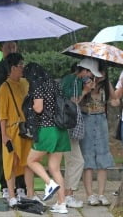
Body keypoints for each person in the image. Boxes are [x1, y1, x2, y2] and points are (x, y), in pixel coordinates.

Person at [25, 63, 71, 214]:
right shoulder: (55, 84)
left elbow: (38, 108)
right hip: (61, 130)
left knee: (31, 161)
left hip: (47, 129)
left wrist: (30, 104)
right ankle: (61, 203)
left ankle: (49, 183)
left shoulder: (38, 86)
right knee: (55, 168)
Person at [0, 41, 27, 199]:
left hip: (21, 117)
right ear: (0, 48)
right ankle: (5, 185)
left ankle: (21, 185)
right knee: (4, 150)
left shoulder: (22, 69)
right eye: (8, 47)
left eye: (14, 46)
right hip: (3, 114)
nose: (11, 49)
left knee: (23, 151)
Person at [60, 57, 101, 208]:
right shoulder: (75, 81)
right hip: (68, 125)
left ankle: (66, 195)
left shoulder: (69, 79)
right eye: (90, 74)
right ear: (84, 70)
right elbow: (72, 101)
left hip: (65, 125)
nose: (91, 77)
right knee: (77, 161)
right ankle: (68, 195)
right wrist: (85, 91)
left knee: (71, 161)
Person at [0, 53, 34, 207]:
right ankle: (11, 195)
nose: (22, 68)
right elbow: (2, 114)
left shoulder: (26, 83)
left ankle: (31, 193)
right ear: (12, 68)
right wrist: (4, 134)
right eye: (20, 66)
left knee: (29, 162)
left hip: (26, 129)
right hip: (12, 130)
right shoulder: (4, 87)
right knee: (10, 163)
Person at [79, 62, 116, 206]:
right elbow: (75, 102)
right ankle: (90, 194)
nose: (100, 77)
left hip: (101, 121)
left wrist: (113, 97)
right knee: (87, 158)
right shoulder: (84, 84)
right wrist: (87, 89)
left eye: (103, 74)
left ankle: (101, 193)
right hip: (86, 120)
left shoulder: (106, 86)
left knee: (102, 158)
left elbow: (115, 98)